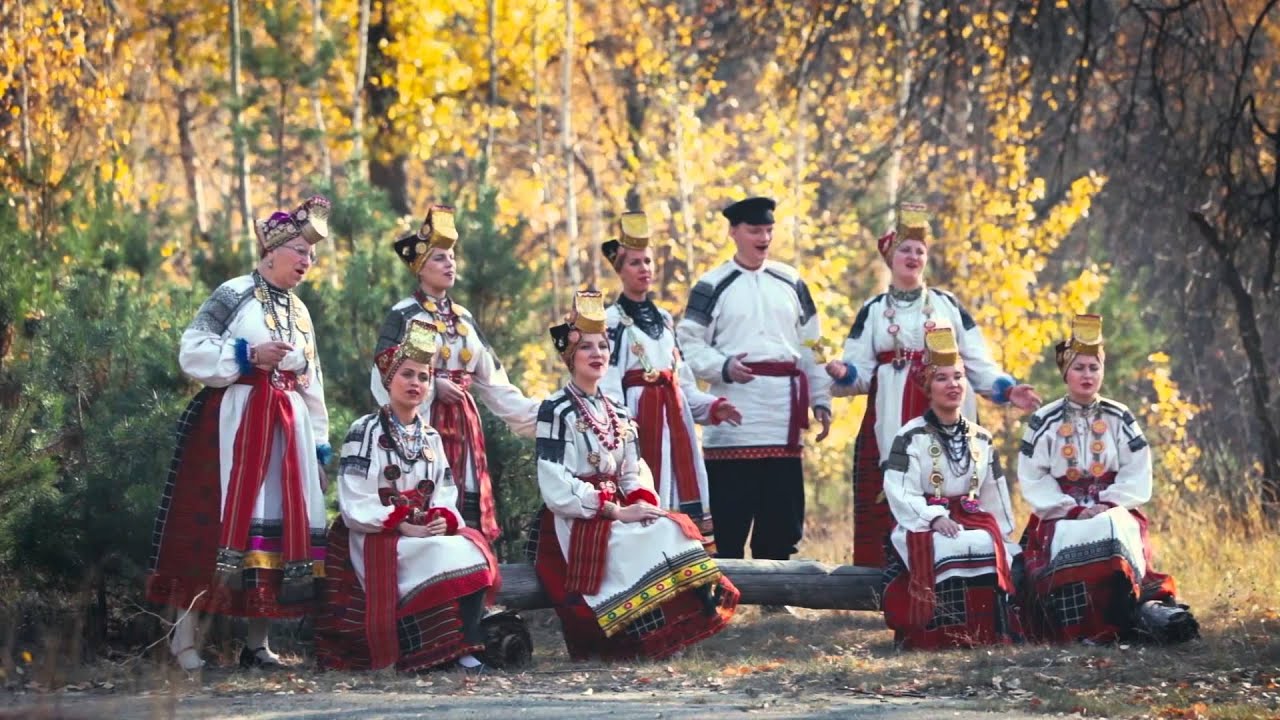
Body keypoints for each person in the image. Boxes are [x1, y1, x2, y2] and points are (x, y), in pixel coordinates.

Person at [146, 196, 333, 670]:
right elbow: (192, 349)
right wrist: (248, 354)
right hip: (231, 428)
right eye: (299, 251)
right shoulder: (233, 293)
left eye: (311, 255)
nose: (307, 261)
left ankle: (257, 643)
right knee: (210, 523)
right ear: (270, 252)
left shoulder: (301, 312)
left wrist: (318, 447)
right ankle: (183, 643)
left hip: (284, 436)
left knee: (273, 529)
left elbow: (312, 381)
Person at [826, 203, 1041, 568]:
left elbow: (976, 361)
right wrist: (841, 373)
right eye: (905, 250)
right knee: (893, 482)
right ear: (890, 257)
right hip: (892, 412)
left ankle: (966, 567)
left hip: (949, 408)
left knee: (954, 481)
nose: (912, 257)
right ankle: (890, 579)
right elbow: (859, 371)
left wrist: (1007, 389)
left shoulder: (947, 305)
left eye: (919, 251)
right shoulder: (874, 310)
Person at [531, 290, 739, 660]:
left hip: (619, 506)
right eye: (586, 348)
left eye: (602, 346)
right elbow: (554, 481)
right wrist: (614, 511)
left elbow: (633, 471)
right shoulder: (555, 410)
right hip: (578, 517)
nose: (597, 354)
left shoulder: (618, 411)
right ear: (570, 357)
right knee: (633, 544)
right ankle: (635, 639)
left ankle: (672, 631)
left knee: (671, 526)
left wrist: (642, 501)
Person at [315, 320, 499, 672]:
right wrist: (402, 526)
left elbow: (445, 490)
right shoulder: (364, 431)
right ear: (388, 381)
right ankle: (441, 649)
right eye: (407, 375)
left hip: (420, 533)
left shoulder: (430, 436)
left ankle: (462, 645)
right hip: (377, 535)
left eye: (423, 377)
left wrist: (438, 519)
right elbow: (354, 499)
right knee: (446, 552)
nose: (416, 383)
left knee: (472, 547)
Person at [1017, 314, 1198, 644]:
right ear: (1065, 372)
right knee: (1070, 536)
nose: (1087, 375)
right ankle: (1079, 628)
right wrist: (1070, 508)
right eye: (1079, 367)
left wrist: (1107, 503)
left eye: (1094, 367)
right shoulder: (1044, 420)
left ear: (1103, 371)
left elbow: (1137, 468)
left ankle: (1125, 619)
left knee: (1115, 526)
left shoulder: (1119, 415)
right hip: (1061, 511)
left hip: (1113, 505)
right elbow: (1033, 474)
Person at [674, 196, 831, 566]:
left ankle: (776, 593)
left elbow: (815, 343)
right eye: (754, 230)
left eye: (769, 230)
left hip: (783, 413)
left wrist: (821, 397)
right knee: (731, 508)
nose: (764, 237)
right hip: (735, 412)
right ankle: (726, 586)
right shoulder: (712, 284)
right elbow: (688, 342)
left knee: (780, 509)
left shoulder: (791, 281)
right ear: (734, 232)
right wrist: (723, 366)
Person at [371, 205, 539, 541]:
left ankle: (473, 576)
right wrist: (433, 387)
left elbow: (494, 381)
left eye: (452, 257)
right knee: (427, 499)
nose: (450, 264)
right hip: (420, 425)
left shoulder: (463, 318)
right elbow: (384, 375)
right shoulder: (406, 314)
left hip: (464, 426)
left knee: (468, 504)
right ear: (420, 268)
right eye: (439, 258)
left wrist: (542, 415)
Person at [599, 211, 742, 552]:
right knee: (647, 487)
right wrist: (620, 426)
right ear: (621, 271)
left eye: (648, 261)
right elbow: (608, 381)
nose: (644, 268)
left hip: (676, 425)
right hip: (639, 423)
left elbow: (683, 380)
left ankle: (690, 571)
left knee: (683, 491)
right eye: (634, 263)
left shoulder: (664, 319)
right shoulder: (611, 321)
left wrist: (713, 406)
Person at [880, 327, 1023, 649]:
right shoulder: (909, 437)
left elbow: (994, 493)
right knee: (945, 546)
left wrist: (1003, 534)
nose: (953, 385)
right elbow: (900, 490)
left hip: (970, 516)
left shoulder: (981, 438)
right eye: (942, 378)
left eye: (958, 376)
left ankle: (987, 634)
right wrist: (933, 518)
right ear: (928, 386)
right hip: (923, 519)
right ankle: (942, 634)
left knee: (991, 546)